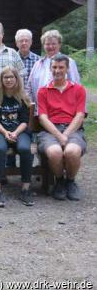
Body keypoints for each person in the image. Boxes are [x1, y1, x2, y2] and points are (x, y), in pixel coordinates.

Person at [37, 54, 86, 201]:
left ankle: (70, 181)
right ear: (50, 68)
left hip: (73, 129)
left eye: (61, 67)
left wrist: (66, 134)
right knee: (54, 152)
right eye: (54, 67)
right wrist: (59, 136)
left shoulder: (78, 89)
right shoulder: (43, 91)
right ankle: (59, 181)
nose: (57, 70)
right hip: (50, 130)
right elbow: (43, 118)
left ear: (67, 69)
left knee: (72, 151)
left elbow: (79, 115)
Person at [0, 67, 34, 207]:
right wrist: (5, 133)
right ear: (1, 80)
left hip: (20, 132)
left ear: (16, 79)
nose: (8, 80)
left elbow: (24, 121)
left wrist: (15, 133)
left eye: (11, 77)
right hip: (0, 131)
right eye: (5, 77)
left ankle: (25, 188)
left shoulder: (22, 98)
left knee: (25, 148)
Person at [26, 30, 80, 104]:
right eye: (47, 44)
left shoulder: (69, 62)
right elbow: (29, 87)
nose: (50, 46)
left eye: (54, 44)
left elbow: (76, 85)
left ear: (59, 45)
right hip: (40, 109)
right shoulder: (38, 64)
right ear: (43, 45)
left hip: (63, 109)